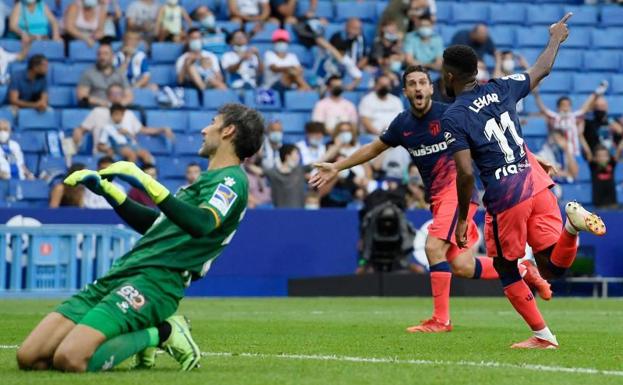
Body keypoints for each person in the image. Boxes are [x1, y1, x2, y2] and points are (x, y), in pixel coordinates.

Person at [17, 103, 265, 373]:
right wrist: (110, 193)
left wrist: (145, 181)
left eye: (213, 122)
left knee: (70, 359)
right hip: (125, 271)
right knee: (29, 357)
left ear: (228, 130)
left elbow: (202, 223)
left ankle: (162, 332)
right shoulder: (205, 181)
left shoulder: (231, 181)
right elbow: (159, 226)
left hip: (157, 283)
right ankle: (143, 330)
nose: (204, 129)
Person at [311, 65, 549, 333]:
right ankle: (524, 269)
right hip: (437, 199)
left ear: (431, 87)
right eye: (411, 84)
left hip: (458, 194)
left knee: (433, 248)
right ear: (405, 92)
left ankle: (441, 320)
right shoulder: (403, 124)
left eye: (422, 82)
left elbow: (494, 136)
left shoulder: (450, 114)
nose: (417, 88)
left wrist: (533, 159)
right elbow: (373, 148)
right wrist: (336, 166)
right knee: (461, 265)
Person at [441, 14, 606, 349]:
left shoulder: (454, 116)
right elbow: (541, 69)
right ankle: (571, 228)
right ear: (477, 70)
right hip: (535, 180)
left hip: (506, 194)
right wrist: (555, 38)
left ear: (448, 76)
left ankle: (543, 336)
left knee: (504, 265)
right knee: (550, 266)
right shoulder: (502, 86)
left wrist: (462, 220)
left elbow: (467, 173)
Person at [73, 83, 174, 154]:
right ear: (108, 96)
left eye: (119, 94)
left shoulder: (129, 113)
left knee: (145, 156)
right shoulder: (97, 112)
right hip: (106, 153)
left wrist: (162, 129)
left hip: (129, 150)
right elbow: (81, 129)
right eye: (113, 94)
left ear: (123, 96)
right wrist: (78, 131)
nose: (116, 97)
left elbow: (143, 130)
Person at [533, 82, 607, 158]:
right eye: (563, 105)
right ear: (558, 107)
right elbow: (543, 109)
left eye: (568, 105)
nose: (565, 108)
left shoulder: (574, 117)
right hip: (558, 154)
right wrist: (536, 94)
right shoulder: (555, 117)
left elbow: (585, 108)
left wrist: (596, 93)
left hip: (574, 153)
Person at [77, 43, 133, 108]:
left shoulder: (120, 74)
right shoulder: (88, 73)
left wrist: (118, 105)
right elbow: (82, 96)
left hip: (117, 111)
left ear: (112, 56)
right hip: (96, 110)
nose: (102, 57)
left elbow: (129, 96)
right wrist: (105, 103)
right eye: (99, 54)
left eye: (105, 54)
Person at [589, 144, 618, 209]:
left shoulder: (611, 165)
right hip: (598, 207)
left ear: (609, 157)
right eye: (599, 156)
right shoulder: (593, 166)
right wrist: (580, 137)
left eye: (605, 156)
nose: (602, 158)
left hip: (613, 205)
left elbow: (619, 150)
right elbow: (588, 152)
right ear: (595, 158)